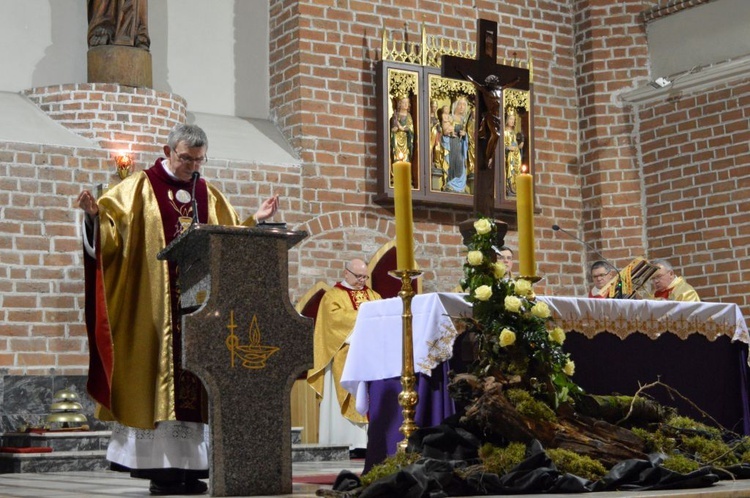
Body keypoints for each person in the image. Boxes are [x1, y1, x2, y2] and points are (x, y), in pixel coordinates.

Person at [77, 124, 279, 495]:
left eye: (198, 160)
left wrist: (256, 221)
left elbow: (227, 236)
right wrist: (93, 217)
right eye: (186, 158)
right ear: (168, 151)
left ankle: (192, 468)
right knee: (160, 379)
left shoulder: (206, 192)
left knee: (196, 383)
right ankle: (162, 470)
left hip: (199, 310)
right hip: (155, 308)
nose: (192, 166)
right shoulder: (138, 188)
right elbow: (111, 235)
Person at [307, 258, 381, 454]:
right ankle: (348, 441)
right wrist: (366, 317)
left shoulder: (374, 296)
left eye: (365, 277)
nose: (362, 280)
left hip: (371, 357)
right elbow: (334, 322)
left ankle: (370, 442)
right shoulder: (332, 297)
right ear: (346, 273)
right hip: (345, 354)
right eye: (358, 276)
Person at [504, 109, 525, 195]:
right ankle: (509, 186)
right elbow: (503, 146)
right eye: (510, 119)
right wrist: (508, 148)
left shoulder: (514, 133)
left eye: (513, 119)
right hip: (509, 155)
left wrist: (520, 146)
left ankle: (515, 187)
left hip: (516, 155)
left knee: (517, 168)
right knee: (510, 164)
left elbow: (516, 145)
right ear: (507, 120)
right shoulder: (504, 132)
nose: (512, 121)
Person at [390, 95, 414, 164]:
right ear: (400, 104)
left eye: (407, 102)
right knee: (397, 157)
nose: (406, 104)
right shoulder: (396, 115)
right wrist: (395, 128)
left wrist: (402, 128)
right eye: (404, 102)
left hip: (405, 139)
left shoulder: (409, 116)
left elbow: (410, 128)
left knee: (405, 157)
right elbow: (393, 128)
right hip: (397, 138)